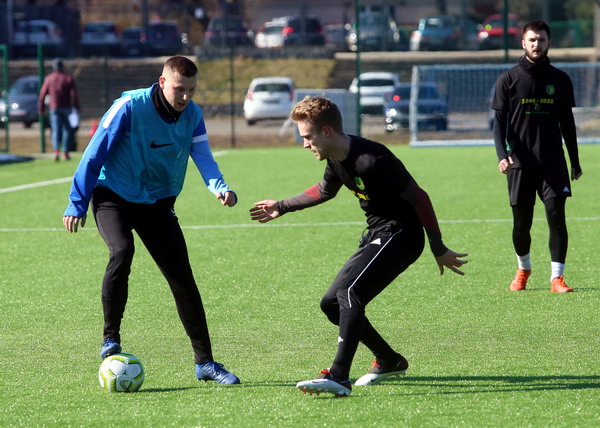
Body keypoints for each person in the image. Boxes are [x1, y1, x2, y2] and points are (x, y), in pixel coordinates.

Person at [249, 96, 467, 397]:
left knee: (349, 293)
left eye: (308, 137)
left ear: (327, 132)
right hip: (379, 233)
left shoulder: (372, 159)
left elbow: (420, 198)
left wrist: (438, 248)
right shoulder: (335, 158)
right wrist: (282, 206)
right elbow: (324, 190)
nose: (305, 144)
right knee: (331, 304)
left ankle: (339, 376)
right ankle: (389, 360)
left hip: (402, 234)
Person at [63, 56, 240, 385]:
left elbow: (203, 157)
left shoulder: (193, 115)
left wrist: (220, 187)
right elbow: (94, 154)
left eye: (192, 90)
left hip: (156, 201)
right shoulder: (129, 107)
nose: (185, 97)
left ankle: (205, 363)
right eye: (179, 89)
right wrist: (77, 202)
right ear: (162, 82)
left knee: (182, 278)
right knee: (122, 250)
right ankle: (111, 338)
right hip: (113, 195)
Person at [491, 21, 582, 293]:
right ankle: (523, 268)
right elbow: (498, 123)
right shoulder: (508, 79)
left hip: (553, 162)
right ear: (523, 43)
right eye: (532, 40)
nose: (536, 44)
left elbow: (568, 124)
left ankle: (557, 278)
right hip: (520, 163)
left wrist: (575, 161)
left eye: (541, 40)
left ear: (548, 43)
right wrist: (502, 156)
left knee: (556, 217)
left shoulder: (560, 79)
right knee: (522, 225)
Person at [38, 58, 80, 161]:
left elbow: (42, 94)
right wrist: (76, 106)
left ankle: (56, 151)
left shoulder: (49, 78)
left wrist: (41, 108)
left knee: (55, 130)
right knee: (67, 130)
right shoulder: (68, 78)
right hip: (66, 107)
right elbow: (73, 94)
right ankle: (65, 153)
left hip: (53, 107)